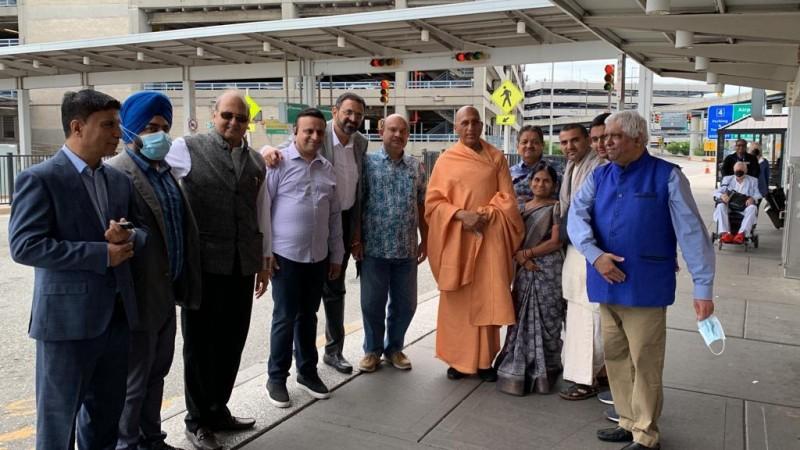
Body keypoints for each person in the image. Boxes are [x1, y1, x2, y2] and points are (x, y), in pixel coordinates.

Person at [8, 89, 147, 450]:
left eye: (117, 125)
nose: (117, 133)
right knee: (58, 425)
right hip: (66, 324)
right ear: (77, 127)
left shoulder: (118, 179)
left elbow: (142, 230)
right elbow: (25, 246)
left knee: (105, 421)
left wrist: (128, 236)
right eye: (108, 125)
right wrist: (101, 254)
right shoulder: (40, 178)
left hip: (116, 318)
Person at [568, 110, 715, 450]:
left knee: (645, 361)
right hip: (605, 283)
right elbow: (576, 217)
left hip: (646, 287)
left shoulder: (667, 176)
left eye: (614, 136)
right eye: (604, 136)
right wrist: (595, 255)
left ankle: (646, 435)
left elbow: (692, 234)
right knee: (616, 358)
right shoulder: (599, 175)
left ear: (638, 140)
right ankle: (628, 420)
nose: (606, 143)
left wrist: (703, 287)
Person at [166, 91, 270, 450]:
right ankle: (197, 421)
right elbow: (156, 183)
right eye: (227, 115)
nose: (233, 122)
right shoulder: (186, 148)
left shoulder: (256, 161)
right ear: (214, 115)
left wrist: (263, 261)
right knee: (200, 346)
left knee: (232, 342)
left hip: (241, 264)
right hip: (203, 267)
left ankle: (217, 409)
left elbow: (261, 214)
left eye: (241, 118)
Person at [107, 91, 201, 450]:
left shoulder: (164, 172)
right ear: (131, 130)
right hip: (137, 298)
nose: (159, 135)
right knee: (133, 382)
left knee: (157, 374)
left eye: (164, 127)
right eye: (149, 128)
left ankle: (152, 439)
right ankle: (126, 444)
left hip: (166, 292)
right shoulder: (118, 173)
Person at [262, 92, 368, 374]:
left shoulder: (360, 143)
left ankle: (332, 352)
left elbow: (357, 193)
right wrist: (265, 149)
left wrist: (353, 235)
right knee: (290, 311)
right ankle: (280, 371)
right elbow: (286, 149)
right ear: (336, 111)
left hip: (340, 223)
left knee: (332, 293)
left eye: (358, 114)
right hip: (294, 240)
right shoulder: (315, 138)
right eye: (348, 112)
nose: (353, 118)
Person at [425, 106, 524, 381]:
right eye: (464, 123)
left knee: (487, 297)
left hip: (489, 237)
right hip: (457, 239)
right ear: (456, 128)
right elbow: (433, 204)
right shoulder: (446, 160)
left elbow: (508, 199)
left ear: (482, 126)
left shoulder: (496, 157)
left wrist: (485, 215)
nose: (470, 128)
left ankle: (484, 361)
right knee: (458, 300)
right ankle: (458, 361)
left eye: (475, 122)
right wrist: (460, 215)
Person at [264, 108, 344, 408]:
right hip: (285, 257)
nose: (314, 136)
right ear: (295, 132)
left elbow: (334, 217)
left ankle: (307, 373)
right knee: (284, 317)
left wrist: (337, 255)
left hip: (318, 257)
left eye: (319, 131)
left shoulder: (327, 169)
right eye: (308, 130)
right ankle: (276, 378)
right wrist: (266, 253)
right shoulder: (279, 163)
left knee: (308, 317)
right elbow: (264, 209)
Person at [354, 114, 428, 373]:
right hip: (374, 248)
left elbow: (422, 204)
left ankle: (394, 348)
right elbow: (358, 204)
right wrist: (356, 240)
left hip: (406, 249)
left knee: (406, 305)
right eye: (392, 129)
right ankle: (372, 351)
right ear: (381, 132)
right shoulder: (367, 164)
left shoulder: (416, 167)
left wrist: (426, 239)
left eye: (403, 131)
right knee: (371, 304)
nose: (398, 135)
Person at [495, 163, 564, 396]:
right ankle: (518, 370)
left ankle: (546, 371)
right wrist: (522, 258)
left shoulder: (557, 208)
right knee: (520, 317)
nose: (540, 184)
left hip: (548, 269)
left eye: (546, 181)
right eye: (536, 180)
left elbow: (556, 242)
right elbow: (511, 238)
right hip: (524, 269)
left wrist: (527, 254)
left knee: (548, 319)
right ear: (530, 182)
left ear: (553, 185)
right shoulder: (521, 207)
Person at [557, 123, 605, 402]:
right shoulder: (573, 167)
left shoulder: (599, 167)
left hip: (591, 249)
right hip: (574, 248)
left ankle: (587, 379)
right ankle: (589, 374)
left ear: (586, 140)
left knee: (590, 316)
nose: (569, 147)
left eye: (575, 140)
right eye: (564, 142)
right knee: (578, 313)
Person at [714, 161, 761, 244]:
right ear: (734, 170)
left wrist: (752, 198)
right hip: (729, 206)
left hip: (744, 206)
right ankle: (725, 233)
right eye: (737, 171)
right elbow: (717, 192)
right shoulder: (727, 179)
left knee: (753, 208)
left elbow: (758, 194)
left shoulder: (753, 180)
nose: (739, 173)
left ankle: (742, 234)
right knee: (720, 206)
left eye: (741, 171)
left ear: (746, 171)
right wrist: (722, 196)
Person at [509, 125, 545, 206]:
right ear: (517, 146)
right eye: (524, 142)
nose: (529, 146)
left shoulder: (557, 170)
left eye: (535, 142)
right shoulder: (509, 173)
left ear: (542, 145)